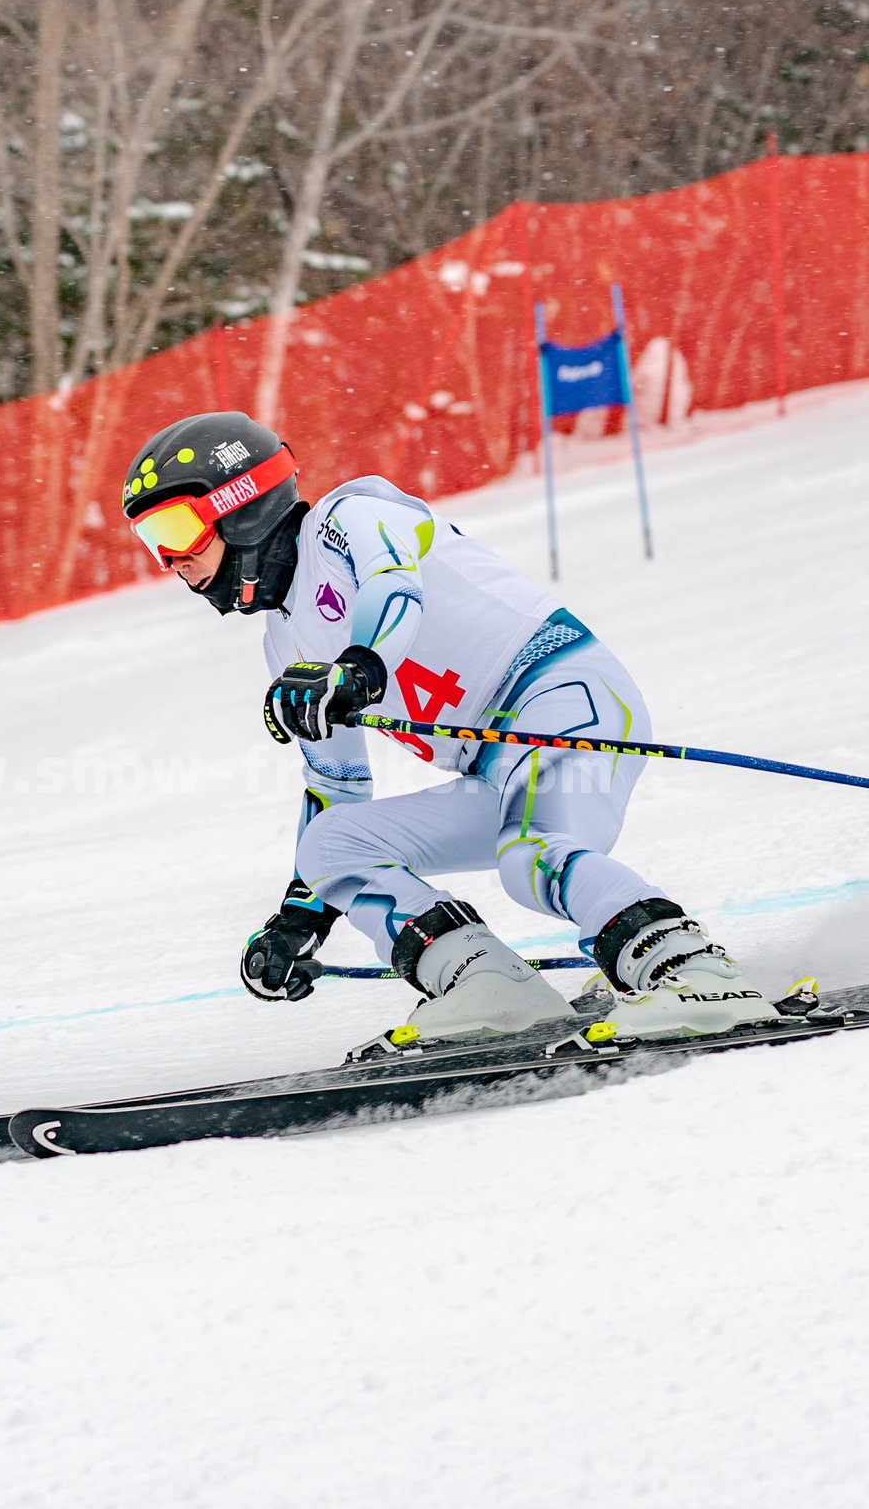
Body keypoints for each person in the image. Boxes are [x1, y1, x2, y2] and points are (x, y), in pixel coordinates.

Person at [121, 410, 779, 1051]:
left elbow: (392, 588)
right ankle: (488, 988)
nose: (172, 559)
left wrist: (359, 668)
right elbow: (337, 779)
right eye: (155, 542)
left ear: (243, 505)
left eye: (178, 530)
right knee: (331, 846)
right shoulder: (285, 640)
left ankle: (693, 972)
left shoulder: (351, 518)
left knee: (532, 857)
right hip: (495, 763)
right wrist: (303, 913)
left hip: (561, 697)